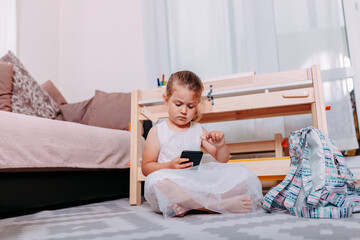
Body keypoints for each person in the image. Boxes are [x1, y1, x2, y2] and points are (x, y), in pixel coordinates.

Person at [142, 70, 263, 217]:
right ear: (166, 100)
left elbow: (223, 159)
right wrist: (169, 166)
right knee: (156, 182)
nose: (184, 111)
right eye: (178, 104)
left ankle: (189, 204)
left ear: (197, 105)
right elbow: (146, 168)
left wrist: (220, 146)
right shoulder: (157, 131)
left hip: (194, 183)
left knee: (243, 175)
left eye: (191, 106)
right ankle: (215, 205)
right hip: (171, 184)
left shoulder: (197, 129)